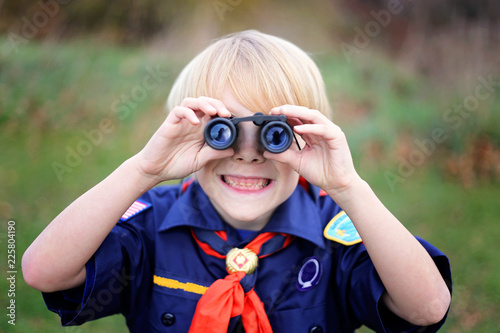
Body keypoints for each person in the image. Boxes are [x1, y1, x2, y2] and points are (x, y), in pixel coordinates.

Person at [22, 30, 452, 333]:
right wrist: (143, 171)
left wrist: (349, 189)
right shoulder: (152, 227)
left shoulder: (335, 236)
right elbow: (43, 270)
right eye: (221, 129)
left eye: (275, 133)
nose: (248, 152)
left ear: (310, 135)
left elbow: (428, 307)